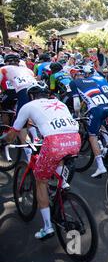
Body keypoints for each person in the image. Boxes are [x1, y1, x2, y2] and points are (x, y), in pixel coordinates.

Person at [3, 82, 80, 239]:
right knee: (59, 156)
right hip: (75, 139)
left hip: (54, 142)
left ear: (31, 96)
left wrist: (5, 141)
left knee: (40, 181)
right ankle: (62, 184)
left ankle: (47, 227)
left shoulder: (28, 105)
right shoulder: (58, 103)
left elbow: (14, 132)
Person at [69, 66, 108, 178]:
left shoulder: (74, 83)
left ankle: (100, 166)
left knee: (92, 136)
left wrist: (77, 115)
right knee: (100, 124)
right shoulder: (92, 80)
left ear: (74, 75)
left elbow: (77, 103)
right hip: (107, 105)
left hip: (96, 108)